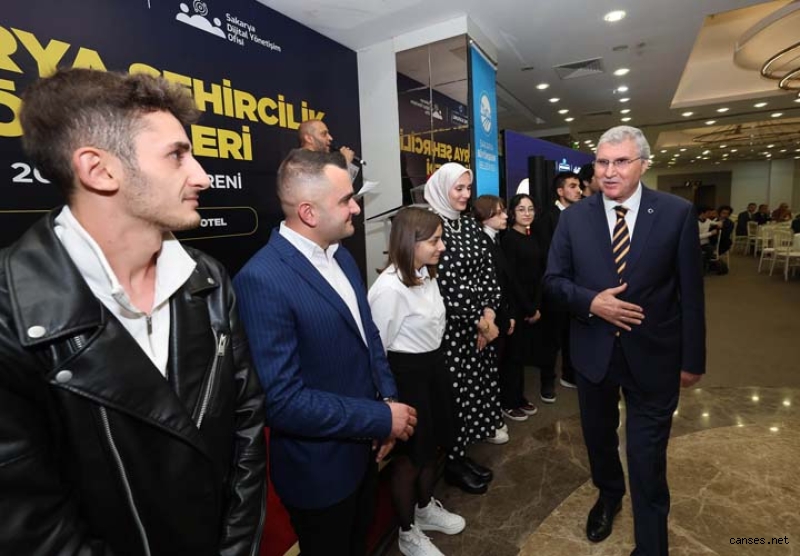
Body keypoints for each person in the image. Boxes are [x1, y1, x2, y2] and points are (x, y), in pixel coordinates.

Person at [0, 68, 267, 555]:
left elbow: (245, 426)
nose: (202, 176)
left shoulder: (206, 277)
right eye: (177, 155)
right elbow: (31, 525)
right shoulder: (9, 312)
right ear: (99, 170)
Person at [233, 149, 417, 556]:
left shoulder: (343, 257)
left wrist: (387, 401)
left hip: (363, 454)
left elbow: (368, 337)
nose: (356, 208)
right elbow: (281, 402)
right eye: (346, 200)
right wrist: (378, 418)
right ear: (308, 212)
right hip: (320, 474)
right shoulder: (261, 280)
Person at [544, 125, 705, 556]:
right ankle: (609, 494)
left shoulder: (676, 213)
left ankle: (651, 545)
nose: (609, 171)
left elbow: (691, 293)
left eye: (621, 161)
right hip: (593, 353)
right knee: (598, 438)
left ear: (644, 165)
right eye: (602, 162)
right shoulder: (573, 218)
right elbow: (553, 282)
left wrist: (693, 359)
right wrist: (592, 302)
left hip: (655, 355)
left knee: (647, 457)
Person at [368, 207, 465, 556]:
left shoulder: (426, 274)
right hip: (406, 378)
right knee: (409, 459)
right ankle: (407, 532)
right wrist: (386, 401)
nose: (442, 247)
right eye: (435, 240)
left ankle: (424, 509)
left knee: (432, 447)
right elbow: (376, 350)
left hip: (433, 368)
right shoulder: (388, 289)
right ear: (411, 242)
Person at [424, 163, 503, 495]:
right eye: (458, 188)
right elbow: (447, 285)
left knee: (475, 391)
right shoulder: (432, 225)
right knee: (456, 398)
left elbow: (487, 271)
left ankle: (462, 455)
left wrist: (489, 314)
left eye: (468, 188)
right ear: (442, 188)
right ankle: (453, 464)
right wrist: (480, 323)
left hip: (480, 325)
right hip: (452, 331)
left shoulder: (468, 223)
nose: (465, 195)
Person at [473, 195, 538, 422]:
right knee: (499, 363)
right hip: (491, 315)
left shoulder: (494, 239)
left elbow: (504, 280)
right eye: (499, 212)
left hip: (503, 310)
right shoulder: (482, 242)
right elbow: (493, 283)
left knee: (512, 357)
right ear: (485, 216)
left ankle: (513, 399)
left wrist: (509, 313)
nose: (505, 216)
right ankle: (503, 405)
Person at [536, 172, 582, 397]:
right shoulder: (547, 218)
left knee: (571, 335)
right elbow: (545, 257)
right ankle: (547, 383)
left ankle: (569, 374)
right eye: (572, 186)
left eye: (579, 186)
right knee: (551, 339)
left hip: (576, 286)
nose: (579, 190)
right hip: (555, 287)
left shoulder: (580, 215)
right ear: (560, 191)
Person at [500, 194, 546, 418]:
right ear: (512, 213)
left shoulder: (532, 236)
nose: (527, 213)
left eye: (530, 208)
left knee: (521, 356)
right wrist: (529, 308)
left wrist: (536, 305)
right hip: (516, 307)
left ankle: (518, 397)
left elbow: (539, 274)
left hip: (531, 306)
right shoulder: (508, 239)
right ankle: (509, 402)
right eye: (521, 209)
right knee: (512, 357)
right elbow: (512, 280)